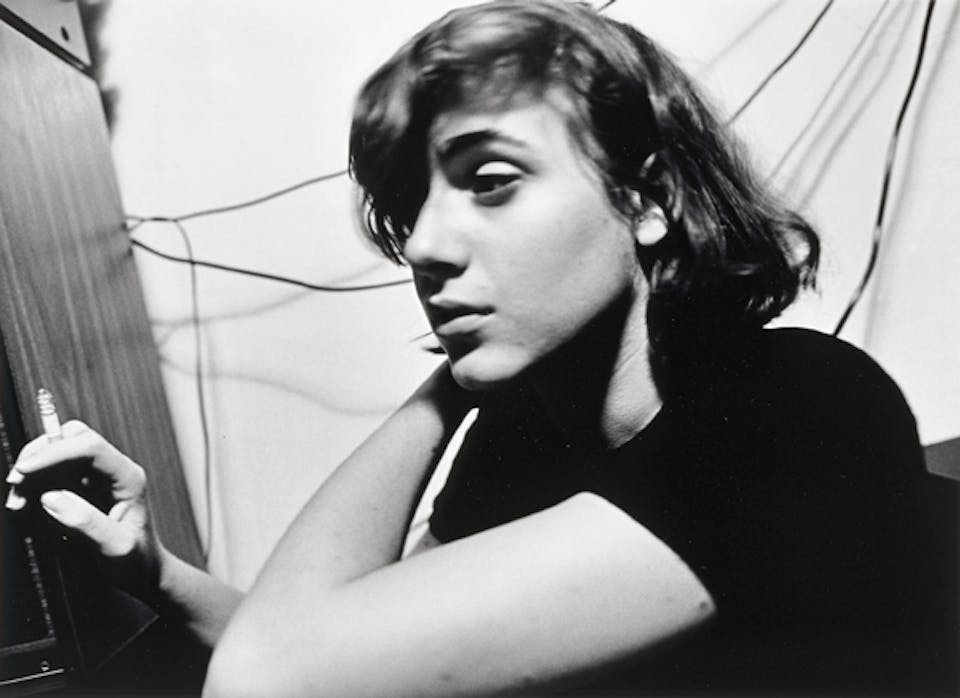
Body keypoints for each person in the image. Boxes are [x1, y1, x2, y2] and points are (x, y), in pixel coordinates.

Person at [6, 1, 956, 695]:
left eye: (490, 181)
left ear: (648, 200)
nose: (423, 245)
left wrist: (445, 387)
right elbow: (348, 652)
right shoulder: (524, 443)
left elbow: (276, 679)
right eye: (411, 204)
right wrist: (156, 573)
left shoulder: (797, 408)